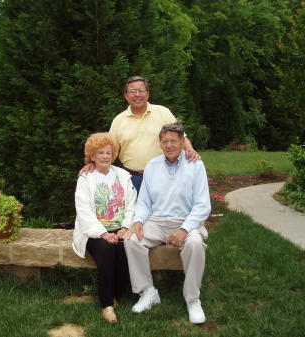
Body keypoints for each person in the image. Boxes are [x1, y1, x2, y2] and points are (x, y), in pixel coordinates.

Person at [124, 122, 211, 324]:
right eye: (165, 141)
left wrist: (184, 229)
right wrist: (137, 221)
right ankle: (147, 291)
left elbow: (202, 205)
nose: (169, 145)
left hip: (186, 221)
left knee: (195, 244)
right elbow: (144, 201)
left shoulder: (195, 165)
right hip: (157, 221)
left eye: (173, 140)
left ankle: (192, 299)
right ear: (160, 144)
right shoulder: (152, 166)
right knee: (131, 240)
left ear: (182, 142)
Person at [79, 76, 201, 192]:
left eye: (141, 90)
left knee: (162, 213)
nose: (137, 94)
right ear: (126, 95)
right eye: (132, 91)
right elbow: (107, 147)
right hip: (132, 178)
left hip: (163, 175)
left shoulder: (163, 112)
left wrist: (190, 149)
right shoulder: (118, 120)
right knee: (135, 213)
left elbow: (181, 137)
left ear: (147, 94)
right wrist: (92, 163)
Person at [72, 132, 137, 323]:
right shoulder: (86, 179)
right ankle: (106, 305)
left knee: (126, 248)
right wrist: (102, 233)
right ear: (92, 156)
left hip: (120, 228)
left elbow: (132, 205)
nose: (105, 156)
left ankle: (116, 294)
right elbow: (83, 211)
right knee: (107, 250)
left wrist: (125, 227)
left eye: (109, 152)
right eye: (100, 153)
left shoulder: (123, 175)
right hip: (94, 231)